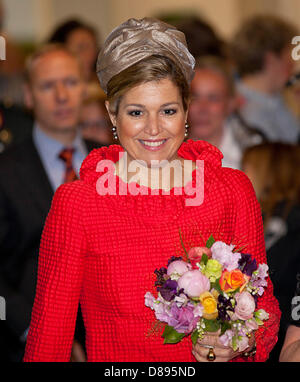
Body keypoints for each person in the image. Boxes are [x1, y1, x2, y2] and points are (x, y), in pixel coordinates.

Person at [23, 18, 280, 362]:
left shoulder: (230, 190)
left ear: (186, 110)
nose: (154, 128)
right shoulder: (79, 204)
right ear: (112, 115)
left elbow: (264, 308)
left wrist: (238, 341)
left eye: (168, 110)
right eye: (136, 112)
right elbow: (49, 341)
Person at [0, 44, 105, 361]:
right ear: (29, 97)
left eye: (70, 83)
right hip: (29, 342)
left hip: (110, 339)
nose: (62, 96)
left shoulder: (114, 161)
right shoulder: (5, 172)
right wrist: (37, 331)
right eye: (48, 86)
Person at [242, 143, 300, 361]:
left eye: (246, 168)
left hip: (281, 337)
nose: (241, 176)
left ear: (268, 174)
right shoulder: (264, 219)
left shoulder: (290, 223)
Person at [230, 15, 300, 143]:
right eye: (289, 54)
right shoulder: (249, 112)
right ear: (271, 59)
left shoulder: (273, 100)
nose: (293, 63)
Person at [187, 56, 264, 170]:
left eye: (213, 98)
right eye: (194, 97)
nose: (202, 108)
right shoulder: (164, 151)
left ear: (231, 104)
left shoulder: (254, 151)